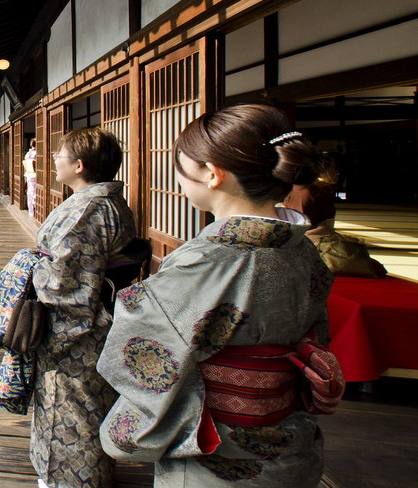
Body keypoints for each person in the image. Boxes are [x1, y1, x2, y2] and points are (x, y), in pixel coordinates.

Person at [97, 104, 333, 486]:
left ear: (211, 174)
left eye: (181, 167)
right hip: (291, 439)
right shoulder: (303, 250)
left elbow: (143, 349)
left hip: (213, 449)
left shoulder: (206, 261)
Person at [24, 128, 136, 488]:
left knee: (70, 414)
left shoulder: (85, 210)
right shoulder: (109, 202)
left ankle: (69, 482)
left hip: (77, 331)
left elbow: (64, 283)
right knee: (91, 406)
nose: (54, 158)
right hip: (103, 319)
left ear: (79, 164)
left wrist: (28, 269)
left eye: (60, 154)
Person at [24, 138, 38, 217]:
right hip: (35, 175)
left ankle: (31, 211)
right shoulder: (35, 154)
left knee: (30, 192)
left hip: (29, 175)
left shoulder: (28, 154)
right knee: (35, 192)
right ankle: (35, 209)